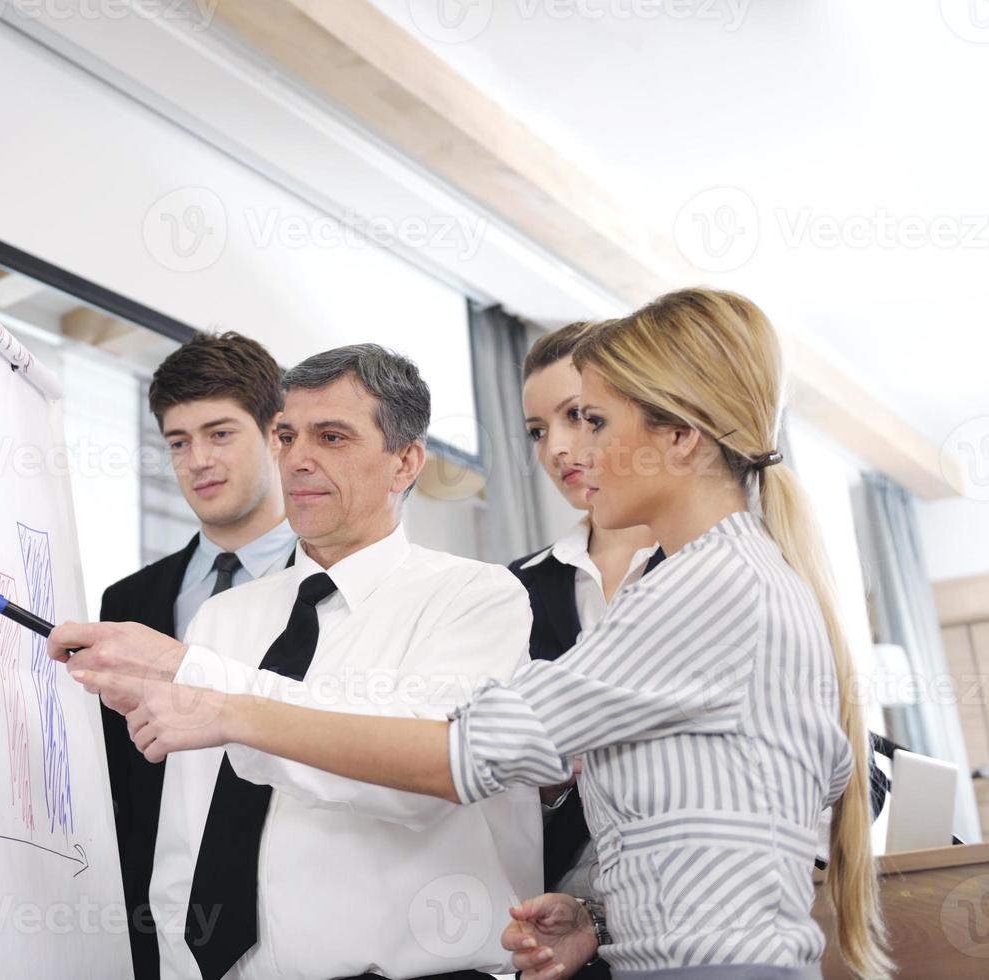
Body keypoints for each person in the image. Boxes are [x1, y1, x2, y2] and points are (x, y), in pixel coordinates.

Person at [72, 290, 893, 980]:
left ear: (680, 436)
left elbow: (460, 756)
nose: (572, 454)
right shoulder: (697, 584)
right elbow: (769, 788)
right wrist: (597, 913)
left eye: (595, 421)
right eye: (285, 435)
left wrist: (224, 700)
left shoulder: (695, 591)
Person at [64, 344, 540, 979]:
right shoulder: (224, 620)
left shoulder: (475, 597)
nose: (298, 459)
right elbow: (188, 840)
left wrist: (213, 693)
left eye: (332, 436)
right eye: (287, 436)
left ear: (404, 463)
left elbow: (417, 777)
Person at [98, 331, 296, 979]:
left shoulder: (332, 583)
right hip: (163, 929)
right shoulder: (129, 600)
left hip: (301, 917)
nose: (198, 460)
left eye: (220, 433)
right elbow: (123, 789)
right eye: (178, 442)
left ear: (276, 433)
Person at [513, 321, 664, 979]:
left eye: (579, 416)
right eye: (539, 431)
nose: (559, 448)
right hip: (561, 938)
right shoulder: (509, 591)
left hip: (698, 932)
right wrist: (540, 783)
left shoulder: (715, 571)